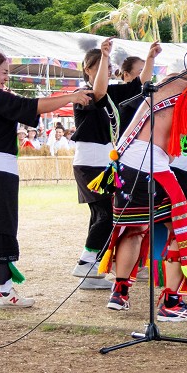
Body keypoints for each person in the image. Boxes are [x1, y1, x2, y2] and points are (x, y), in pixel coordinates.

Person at [101, 59, 187, 320]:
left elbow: (186, 80)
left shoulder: (168, 85)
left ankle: (119, 293)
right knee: (181, 232)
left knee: (134, 228)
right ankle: (171, 303)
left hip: (123, 165)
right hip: (153, 168)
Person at [0, 46, 92, 308]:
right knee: (1, 228)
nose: (6, 77)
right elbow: (32, 106)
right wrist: (72, 96)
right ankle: (5, 292)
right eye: (3, 72)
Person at [70, 38, 157, 289]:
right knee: (108, 214)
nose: (107, 72)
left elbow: (142, 84)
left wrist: (150, 58)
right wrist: (106, 56)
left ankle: (92, 272)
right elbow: (98, 93)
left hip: (106, 162)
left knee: (101, 214)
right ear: (88, 70)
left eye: (108, 69)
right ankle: (85, 264)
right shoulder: (84, 94)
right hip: (90, 162)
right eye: (101, 68)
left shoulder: (115, 92)